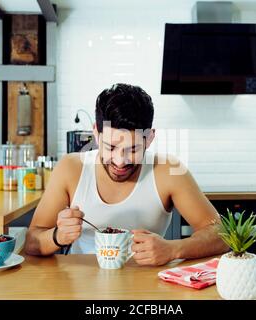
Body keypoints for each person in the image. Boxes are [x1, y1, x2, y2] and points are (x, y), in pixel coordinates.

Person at [25, 83, 228, 266]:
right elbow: (32, 241)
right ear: (95, 133)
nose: (120, 161)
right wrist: (57, 236)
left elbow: (221, 234)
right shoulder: (71, 168)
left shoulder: (169, 170)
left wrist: (173, 249)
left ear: (149, 138)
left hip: (147, 288)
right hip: (80, 285)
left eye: (132, 149)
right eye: (110, 147)